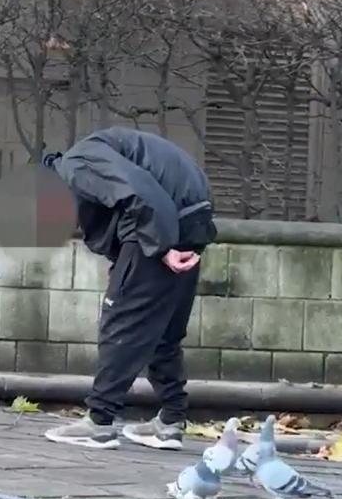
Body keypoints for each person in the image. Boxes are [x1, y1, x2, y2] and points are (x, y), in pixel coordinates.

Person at [40, 126, 218, 450]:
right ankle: (170, 421)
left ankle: (99, 422)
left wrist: (161, 246)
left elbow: (138, 192)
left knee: (121, 320)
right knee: (163, 332)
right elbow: (129, 200)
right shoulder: (104, 150)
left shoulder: (76, 164)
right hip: (189, 222)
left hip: (161, 225)